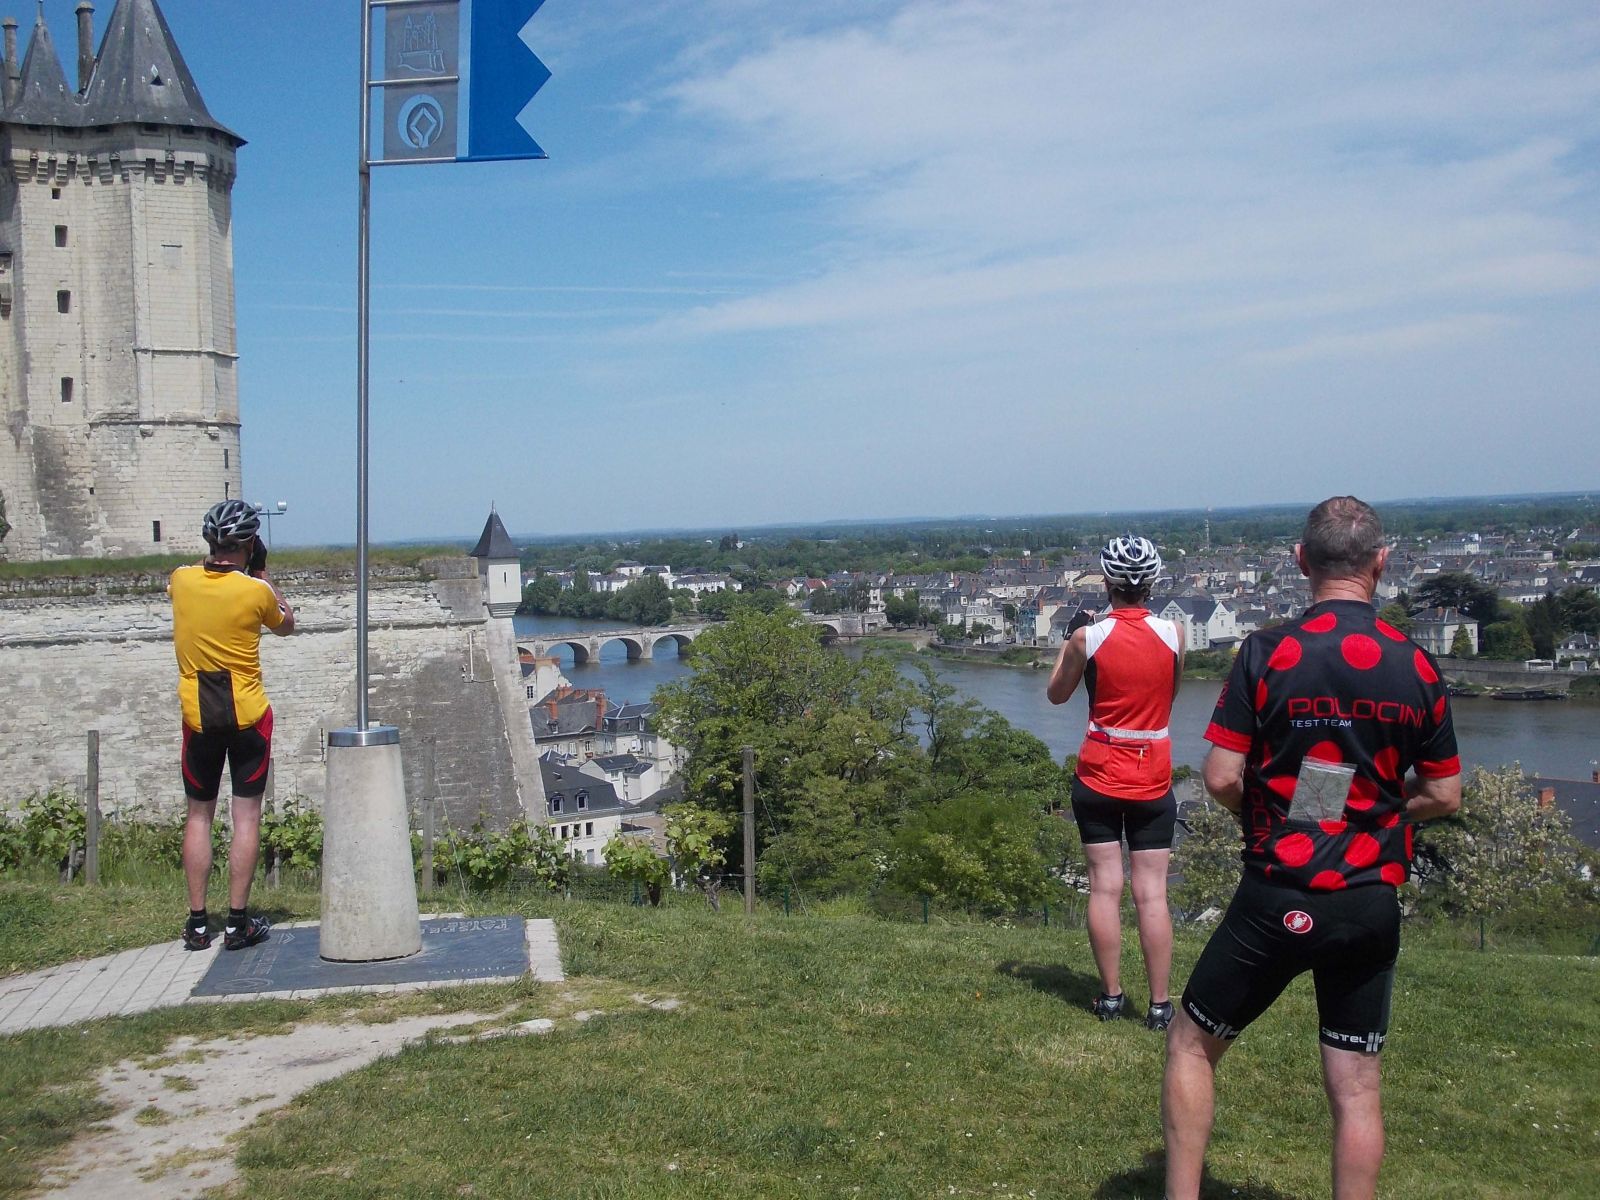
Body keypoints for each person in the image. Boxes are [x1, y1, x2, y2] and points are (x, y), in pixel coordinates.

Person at [1163, 496, 1461, 1200]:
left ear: (1301, 562)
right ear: (1381, 565)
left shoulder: (1266, 653)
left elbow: (1220, 777)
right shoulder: (1416, 665)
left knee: (1191, 1044)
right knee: (1356, 1086)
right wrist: (1375, 821)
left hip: (1278, 893)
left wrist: (1275, 819)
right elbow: (1445, 796)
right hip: (1366, 902)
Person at [1047, 533, 1184, 1030]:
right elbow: (1169, 697)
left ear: (1107, 582)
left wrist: (1071, 641)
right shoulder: (1175, 634)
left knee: (1105, 888)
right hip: (1153, 775)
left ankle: (1110, 997)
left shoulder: (1089, 637)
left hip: (1100, 774)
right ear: (1151, 583)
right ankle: (1160, 1006)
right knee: (1152, 894)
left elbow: (1056, 695)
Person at [170, 499, 295, 951]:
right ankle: (237, 922)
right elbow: (287, 623)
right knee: (246, 818)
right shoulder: (255, 593)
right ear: (249, 546)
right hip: (247, 718)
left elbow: (193, 588)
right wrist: (261, 575)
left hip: (198, 718)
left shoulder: (180, 582)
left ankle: (198, 923)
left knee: (198, 816)